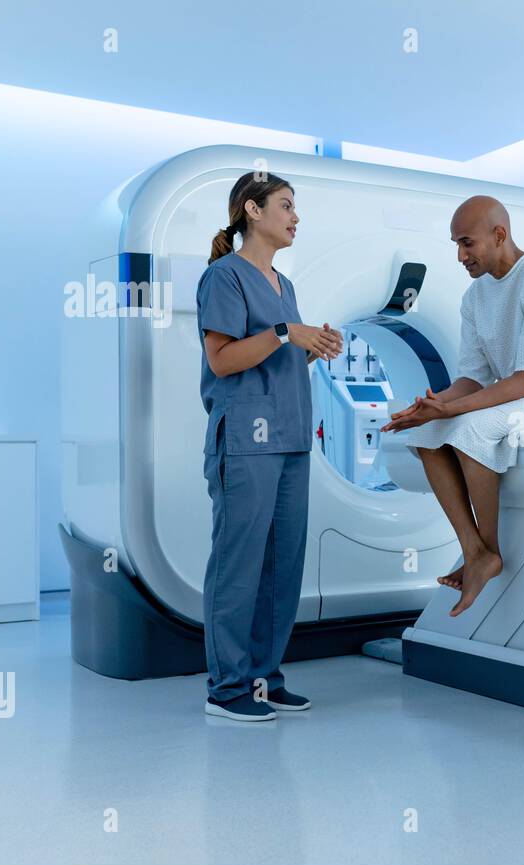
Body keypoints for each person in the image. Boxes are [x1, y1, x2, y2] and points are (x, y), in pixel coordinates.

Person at [381, 195, 524, 617]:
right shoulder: (474, 298)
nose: (459, 255)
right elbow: (472, 378)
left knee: (471, 430)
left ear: (499, 234)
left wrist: (456, 411)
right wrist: (433, 406)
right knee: (427, 434)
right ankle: (476, 552)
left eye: (466, 243)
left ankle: (488, 550)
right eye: (456, 244)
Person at [196, 171, 343, 721]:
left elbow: (275, 358)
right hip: (245, 438)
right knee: (239, 565)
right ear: (251, 211)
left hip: (290, 436)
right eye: (285, 206)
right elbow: (224, 360)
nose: (295, 217)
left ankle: (264, 679)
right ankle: (227, 689)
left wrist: (311, 346)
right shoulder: (223, 277)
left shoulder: (286, 285)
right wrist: (287, 332)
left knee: (282, 566)